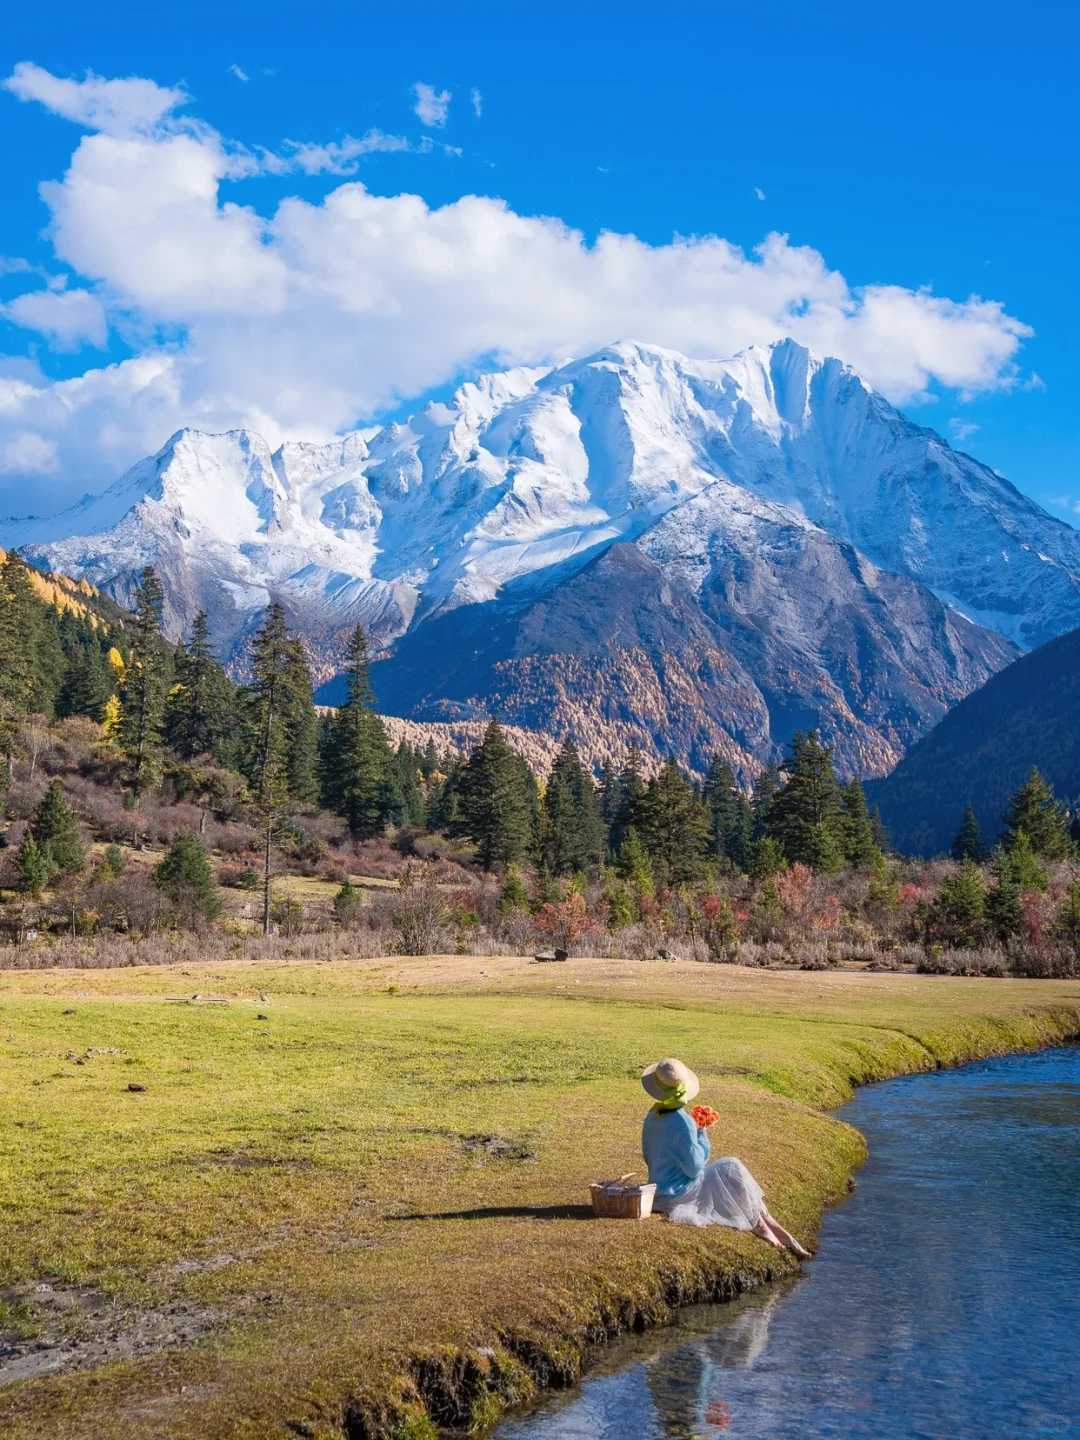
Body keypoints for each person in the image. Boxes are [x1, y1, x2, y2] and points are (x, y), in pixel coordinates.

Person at [640, 1057, 811, 1257]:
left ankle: (778, 1232)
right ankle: (765, 1228)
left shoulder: (653, 1115)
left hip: (658, 1188)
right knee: (731, 1167)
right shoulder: (682, 1121)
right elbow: (694, 1169)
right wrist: (701, 1134)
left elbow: (648, 1156)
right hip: (679, 1192)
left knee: (729, 1171)